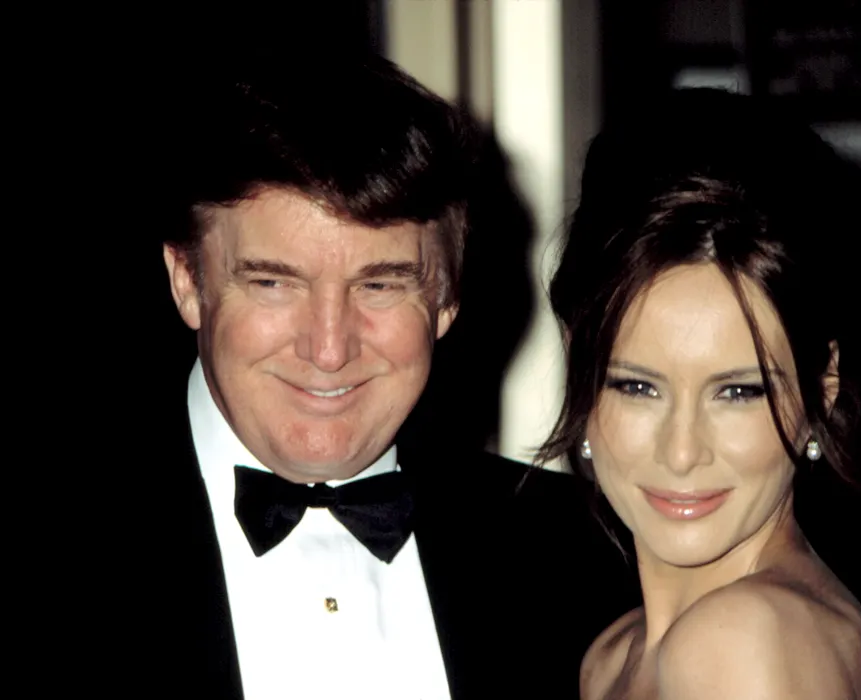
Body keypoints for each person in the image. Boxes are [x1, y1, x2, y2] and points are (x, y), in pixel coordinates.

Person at [105, 54, 638, 700]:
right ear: (187, 282)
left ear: (445, 299)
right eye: (273, 283)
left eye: (379, 286)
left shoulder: (579, 557)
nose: (329, 349)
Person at [539, 89, 861, 699]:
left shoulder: (741, 642)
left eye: (737, 392)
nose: (682, 453)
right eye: (637, 386)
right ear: (580, 370)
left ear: (822, 387)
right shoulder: (612, 658)